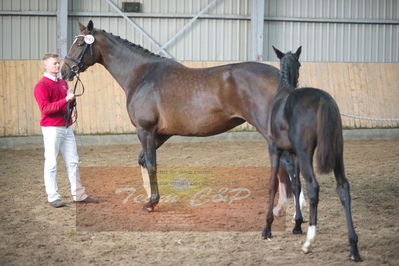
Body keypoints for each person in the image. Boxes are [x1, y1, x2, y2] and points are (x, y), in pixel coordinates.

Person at [34, 53, 98, 208]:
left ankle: (79, 194)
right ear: (46, 66)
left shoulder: (62, 83)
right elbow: (46, 109)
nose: (57, 65)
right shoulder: (41, 86)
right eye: (54, 63)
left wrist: (71, 100)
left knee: (73, 161)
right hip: (51, 128)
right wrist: (65, 100)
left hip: (66, 126)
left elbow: (65, 105)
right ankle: (53, 196)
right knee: (51, 163)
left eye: (58, 63)